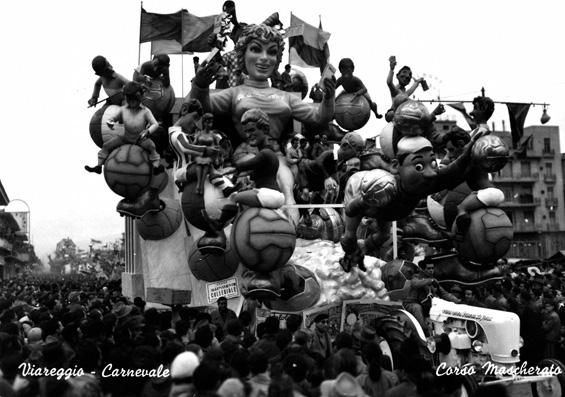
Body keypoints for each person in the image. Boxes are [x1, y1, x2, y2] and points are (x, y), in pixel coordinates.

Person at [188, 24, 336, 220]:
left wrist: (329, 98)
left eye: (272, 52)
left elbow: (319, 118)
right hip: (245, 153)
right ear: (243, 54)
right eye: (256, 49)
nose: (264, 58)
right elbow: (201, 107)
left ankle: (290, 231)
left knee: (286, 188)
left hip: (275, 154)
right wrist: (199, 85)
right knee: (246, 186)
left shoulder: (286, 97)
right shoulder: (235, 93)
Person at [84, 81, 163, 175]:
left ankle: (155, 167)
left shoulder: (145, 111)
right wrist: (110, 122)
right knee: (106, 146)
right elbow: (113, 118)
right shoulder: (123, 110)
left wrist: (148, 131)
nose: (133, 102)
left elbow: (155, 124)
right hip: (125, 137)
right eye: (130, 99)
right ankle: (98, 166)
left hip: (140, 139)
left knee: (152, 147)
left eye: (135, 99)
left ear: (140, 97)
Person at [231, 109, 285, 209]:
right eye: (246, 131)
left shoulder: (264, 154)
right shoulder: (269, 153)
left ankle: (221, 222)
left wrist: (226, 170)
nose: (248, 135)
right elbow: (251, 172)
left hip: (268, 194)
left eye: (251, 130)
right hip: (272, 194)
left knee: (234, 197)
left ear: (265, 129)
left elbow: (242, 166)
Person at [385, 56, 425, 121]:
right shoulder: (396, 91)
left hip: (403, 116)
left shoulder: (405, 93)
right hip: (393, 114)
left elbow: (411, 90)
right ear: (397, 76)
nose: (407, 76)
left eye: (409, 75)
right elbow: (389, 82)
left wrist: (417, 82)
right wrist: (391, 69)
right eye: (404, 72)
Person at [193, 113, 222, 195]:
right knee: (199, 164)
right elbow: (193, 144)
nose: (209, 124)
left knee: (206, 165)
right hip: (200, 155)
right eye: (208, 122)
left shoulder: (213, 135)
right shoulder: (199, 134)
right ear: (204, 123)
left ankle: (201, 185)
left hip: (209, 156)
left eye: (211, 122)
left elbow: (217, 147)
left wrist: (217, 157)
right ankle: (198, 184)